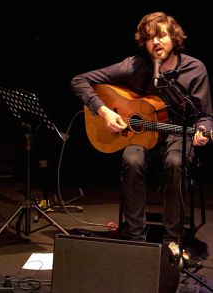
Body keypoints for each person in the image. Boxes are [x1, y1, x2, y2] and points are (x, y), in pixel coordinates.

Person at [71, 12, 213, 257]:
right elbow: (79, 80)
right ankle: (134, 239)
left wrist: (205, 131)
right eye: (149, 38)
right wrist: (104, 112)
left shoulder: (194, 68)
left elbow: (205, 117)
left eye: (161, 36)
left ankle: (172, 243)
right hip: (142, 135)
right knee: (132, 159)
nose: (155, 42)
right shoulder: (135, 65)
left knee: (175, 162)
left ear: (174, 38)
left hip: (179, 135)